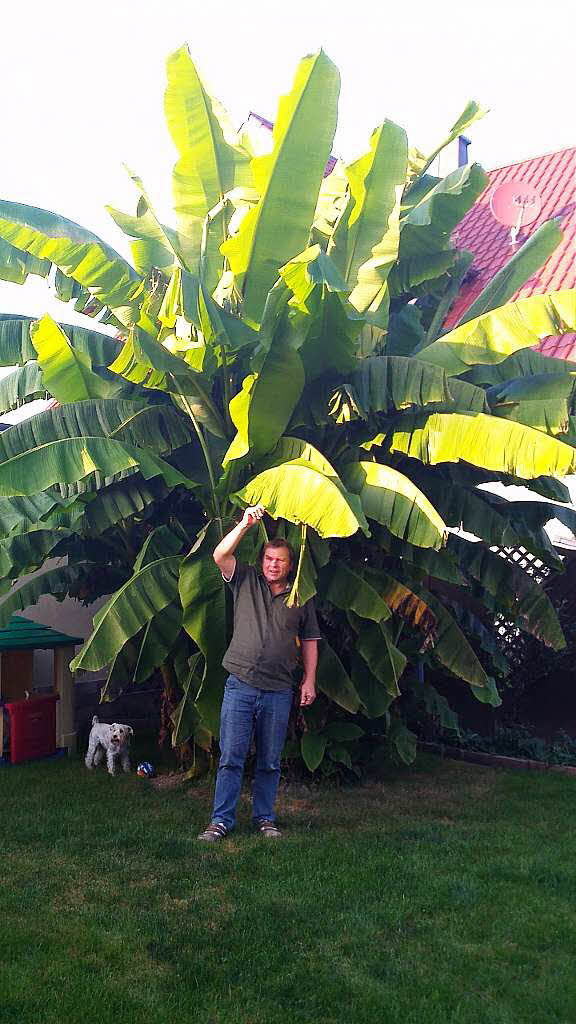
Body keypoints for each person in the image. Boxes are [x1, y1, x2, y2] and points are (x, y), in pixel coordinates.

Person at [197, 504, 321, 841]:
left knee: (269, 761)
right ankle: (221, 821)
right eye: (269, 559)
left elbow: (310, 639)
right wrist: (245, 524)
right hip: (241, 684)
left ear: (289, 564)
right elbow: (219, 555)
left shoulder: (300, 595)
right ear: (261, 561)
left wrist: (309, 680)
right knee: (231, 757)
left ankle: (265, 818)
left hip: (279, 689)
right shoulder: (246, 579)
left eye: (280, 560)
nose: (273, 565)